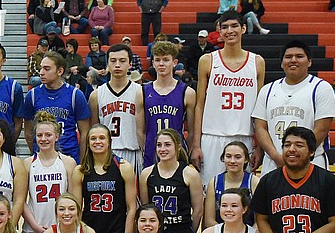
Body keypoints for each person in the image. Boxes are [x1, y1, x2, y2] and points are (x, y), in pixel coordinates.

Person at [192, 10, 265, 180]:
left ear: (244, 28)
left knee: (241, 196)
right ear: (219, 31)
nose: (229, 31)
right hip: (212, 136)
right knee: (210, 192)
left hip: (244, 136)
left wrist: (259, 147)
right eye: (224, 27)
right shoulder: (207, 60)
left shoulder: (257, 62)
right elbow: (199, 104)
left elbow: (261, 109)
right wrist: (196, 144)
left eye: (234, 26)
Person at [252, 41, 335, 174]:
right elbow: (260, 127)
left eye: (299, 56)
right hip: (274, 162)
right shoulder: (267, 90)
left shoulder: (321, 88)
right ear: (281, 63)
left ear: (309, 61)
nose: (293, 60)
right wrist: (276, 156)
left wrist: (296, 157)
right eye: (288, 57)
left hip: (310, 162)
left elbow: (321, 129)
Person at [73, 124, 137, 233]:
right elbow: (76, 209)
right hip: (90, 232)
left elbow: (132, 207)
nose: (97, 142)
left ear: (109, 141)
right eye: (93, 138)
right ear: (88, 143)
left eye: (102, 138)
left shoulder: (123, 167)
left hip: (116, 231)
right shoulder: (80, 170)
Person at [141, 128, 201, 233]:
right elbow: (145, 207)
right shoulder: (147, 173)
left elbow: (198, 210)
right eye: (159, 145)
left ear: (178, 146)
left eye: (167, 144)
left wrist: (188, 232)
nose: (162, 149)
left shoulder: (190, 174)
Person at [22, 116, 76, 233]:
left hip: (62, 230)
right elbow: (21, 201)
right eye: (39, 135)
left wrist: (64, 225)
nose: (43, 139)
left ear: (57, 136)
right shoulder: (27, 164)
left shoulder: (68, 162)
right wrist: (35, 226)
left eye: (48, 135)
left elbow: (74, 200)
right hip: (33, 231)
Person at [19, 52, 92, 161]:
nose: (41, 73)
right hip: (41, 157)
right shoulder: (33, 95)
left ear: (60, 71)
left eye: (47, 69)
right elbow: (29, 132)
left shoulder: (75, 95)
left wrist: (81, 161)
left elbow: (85, 132)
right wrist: (34, 151)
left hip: (69, 155)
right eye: (41, 68)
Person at [89, 43, 145, 173]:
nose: (117, 65)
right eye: (113, 61)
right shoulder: (96, 95)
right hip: (106, 153)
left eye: (122, 61)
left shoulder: (140, 92)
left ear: (130, 64)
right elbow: (94, 129)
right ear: (107, 64)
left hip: (134, 152)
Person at [143, 41, 195, 169]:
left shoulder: (187, 92)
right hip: (151, 151)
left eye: (166, 60)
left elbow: (192, 131)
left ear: (174, 63)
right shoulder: (143, 91)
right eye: (157, 60)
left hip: (177, 152)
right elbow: (141, 131)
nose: (161, 64)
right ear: (153, 63)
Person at [203, 141, 257, 229]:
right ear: (223, 158)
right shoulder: (215, 182)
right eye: (228, 156)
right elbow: (209, 221)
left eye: (238, 157)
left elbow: (259, 221)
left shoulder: (254, 182)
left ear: (246, 159)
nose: (232, 161)